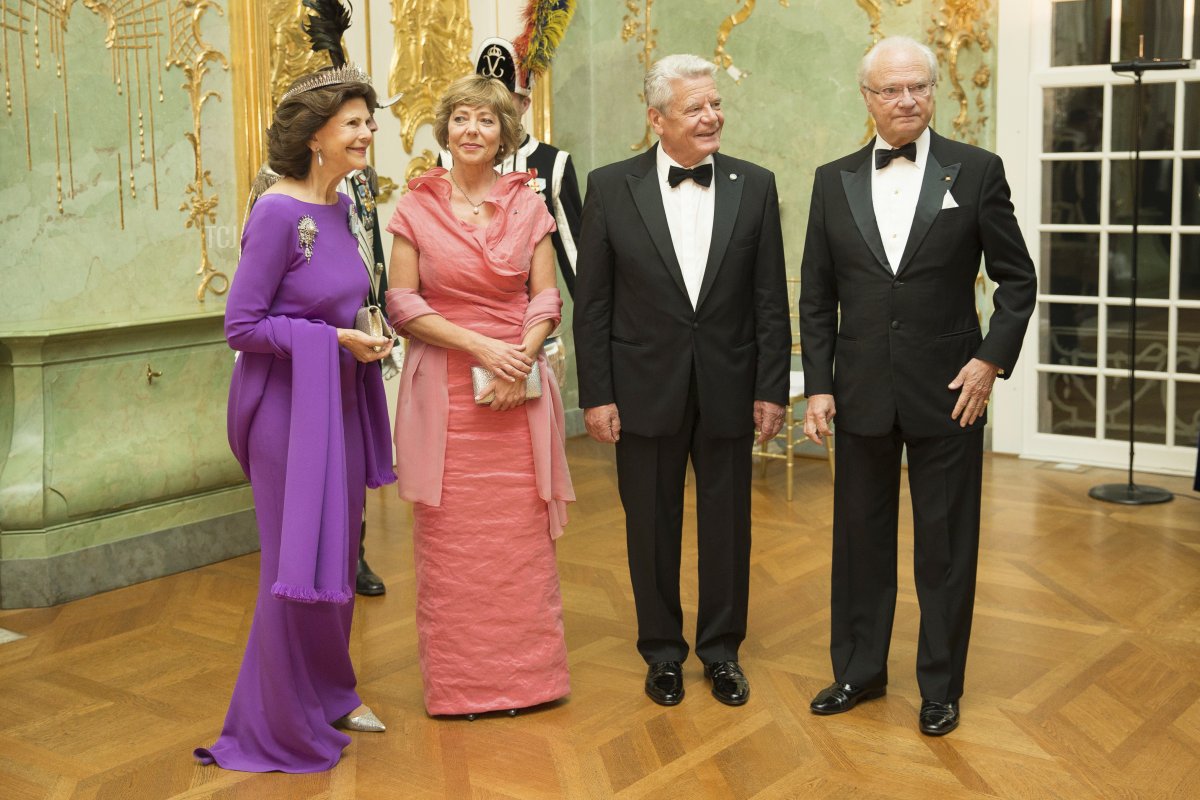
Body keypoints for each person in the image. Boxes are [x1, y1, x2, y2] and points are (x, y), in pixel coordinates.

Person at [799, 36, 1037, 736]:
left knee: (945, 547)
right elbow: (816, 295)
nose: (907, 100)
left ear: (933, 91)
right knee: (860, 543)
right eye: (890, 90)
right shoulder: (831, 178)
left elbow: (1017, 281)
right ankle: (859, 672)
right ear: (867, 98)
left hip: (952, 390)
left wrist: (990, 361)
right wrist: (818, 385)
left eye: (919, 87)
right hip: (861, 389)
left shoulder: (977, 170)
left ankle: (941, 686)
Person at [194, 65, 396, 773]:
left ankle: (333, 690)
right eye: (356, 123)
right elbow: (241, 325)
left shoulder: (341, 208)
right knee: (295, 560)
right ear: (316, 136)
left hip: (336, 402)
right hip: (285, 414)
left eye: (369, 121)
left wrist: (363, 331)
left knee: (337, 553)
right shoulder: (278, 214)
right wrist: (331, 340)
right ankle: (277, 721)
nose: (369, 131)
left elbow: (339, 298)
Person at [573, 54, 790, 708]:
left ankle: (722, 652)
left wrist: (771, 388)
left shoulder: (756, 185)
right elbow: (594, 304)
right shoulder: (610, 187)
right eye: (696, 107)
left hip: (730, 383)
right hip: (642, 388)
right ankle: (662, 652)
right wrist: (598, 393)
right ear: (656, 118)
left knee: (729, 529)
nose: (712, 116)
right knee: (650, 526)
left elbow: (770, 299)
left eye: (715, 103)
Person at [384, 74, 575, 718]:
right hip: (447, 397)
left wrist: (518, 357)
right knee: (453, 546)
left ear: (505, 133)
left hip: (518, 390)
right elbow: (403, 303)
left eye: (486, 120)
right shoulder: (415, 205)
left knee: (520, 542)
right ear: (445, 130)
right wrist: (482, 349)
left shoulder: (530, 204)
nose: (472, 130)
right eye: (461, 118)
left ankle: (532, 681)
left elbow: (545, 295)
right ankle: (460, 687)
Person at [438, 37, 583, 297]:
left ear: (525, 104)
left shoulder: (554, 163)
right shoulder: (448, 159)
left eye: (504, 98)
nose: (493, 105)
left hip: (530, 322)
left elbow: (576, 260)